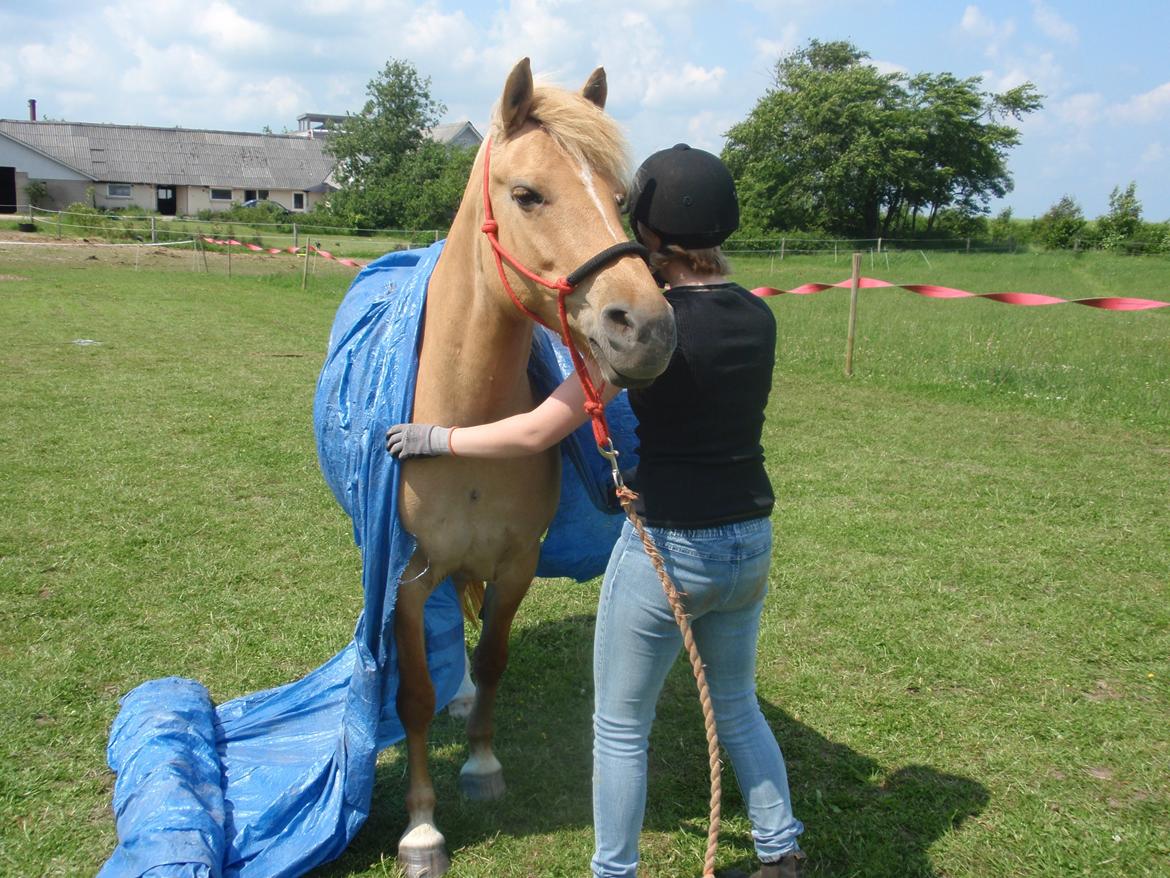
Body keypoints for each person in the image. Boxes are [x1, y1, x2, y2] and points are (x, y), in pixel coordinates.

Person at [387, 144, 805, 878]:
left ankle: (614, 869)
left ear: (647, 234)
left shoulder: (651, 333)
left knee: (619, 726)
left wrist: (436, 436)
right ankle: (780, 849)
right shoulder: (756, 317)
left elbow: (540, 429)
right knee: (737, 704)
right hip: (751, 541)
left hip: (670, 551)